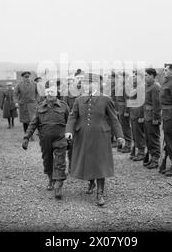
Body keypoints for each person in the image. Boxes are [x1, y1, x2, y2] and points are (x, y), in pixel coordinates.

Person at [65, 73, 125, 207]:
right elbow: (72, 117)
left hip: (101, 137)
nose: (86, 86)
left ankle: (100, 193)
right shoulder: (79, 100)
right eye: (85, 83)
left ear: (96, 84)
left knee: (100, 163)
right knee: (88, 161)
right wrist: (69, 131)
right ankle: (91, 182)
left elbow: (114, 119)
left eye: (89, 83)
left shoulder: (106, 100)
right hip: (83, 136)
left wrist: (120, 136)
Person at [22, 83, 70, 199]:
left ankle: (58, 185)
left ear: (56, 93)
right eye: (48, 92)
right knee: (47, 160)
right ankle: (51, 179)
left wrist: (71, 137)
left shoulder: (64, 106)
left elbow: (70, 123)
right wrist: (26, 137)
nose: (50, 94)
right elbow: (33, 124)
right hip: (45, 140)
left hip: (60, 139)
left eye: (52, 91)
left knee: (60, 162)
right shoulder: (40, 107)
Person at [143, 68, 162, 169]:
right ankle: (151, 157)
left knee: (154, 138)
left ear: (152, 76)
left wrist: (156, 118)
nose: (145, 77)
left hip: (152, 116)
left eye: (146, 75)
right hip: (147, 115)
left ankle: (155, 159)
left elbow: (157, 104)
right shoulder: (147, 86)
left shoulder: (155, 87)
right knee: (148, 138)